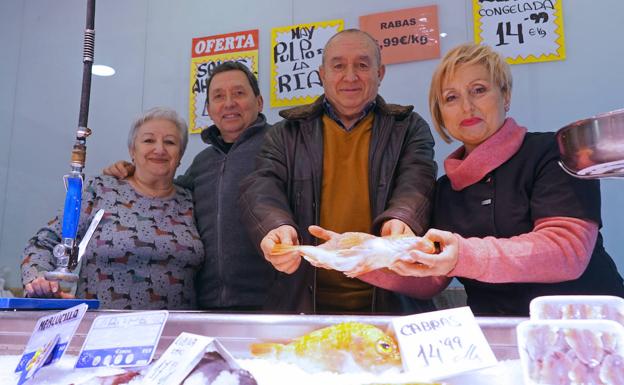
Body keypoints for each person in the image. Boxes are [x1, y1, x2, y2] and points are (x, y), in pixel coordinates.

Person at [369, 43, 624, 316]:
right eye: (451, 98)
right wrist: (352, 258)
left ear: (505, 96)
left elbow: (566, 252)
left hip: (589, 327)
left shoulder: (552, 152)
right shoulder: (444, 190)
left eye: (478, 90)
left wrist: (462, 255)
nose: (467, 107)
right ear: (440, 114)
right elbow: (431, 279)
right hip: (496, 337)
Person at [238, 29, 439, 314]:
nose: (350, 76)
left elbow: (418, 180)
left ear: (380, 72)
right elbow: (261, 185)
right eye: (338, 65)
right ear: (322, 74)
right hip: (303, 304)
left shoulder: (408, 127)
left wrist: (401, 218)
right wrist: (275, 226)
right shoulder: (285, 134)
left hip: (392, 303)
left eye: (362, 64)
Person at [104, 62, 275, 311]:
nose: (228, 103)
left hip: (273, 305)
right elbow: (163, 192)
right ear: (208, 109)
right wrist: (134, 173)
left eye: (238, 93)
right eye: (218, 96)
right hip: (206, 307)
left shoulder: (280, 146)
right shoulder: (202, 163)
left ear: (259, 102)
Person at [21, 107, 205, 309]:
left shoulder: (192, 199)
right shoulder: (101, 189)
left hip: (175, 333)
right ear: (132, 151)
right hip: (99, 332)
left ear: (180, 155)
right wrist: (39, 280)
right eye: (148, 140)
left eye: (170, 142)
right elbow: (44, 242)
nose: (159, 149)